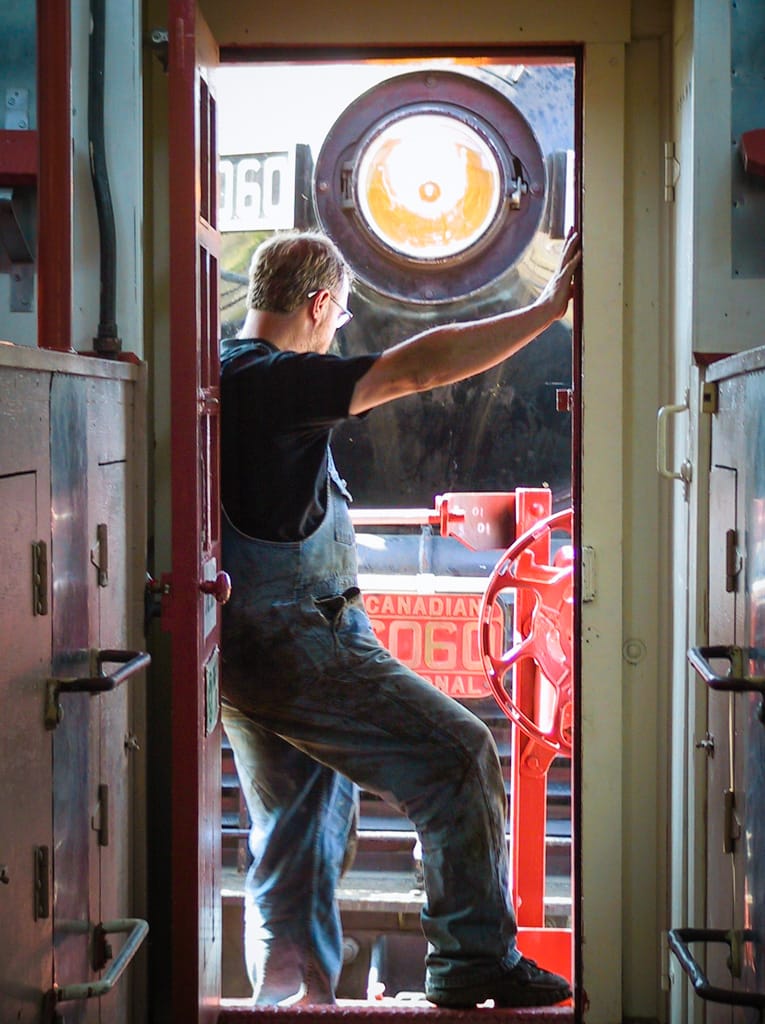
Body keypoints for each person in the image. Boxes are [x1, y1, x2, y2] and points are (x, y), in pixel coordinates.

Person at [220, 227, 581, 1008]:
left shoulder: (218, 368)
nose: (338, 328)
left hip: (246, 647)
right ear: (318, 302)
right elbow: (416, 365)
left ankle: (292, 998)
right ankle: (472, 961)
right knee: (456, 752)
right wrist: (546, 309)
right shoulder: (274, 380)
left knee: (298, 829)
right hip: (297, 643)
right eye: (340, 314)